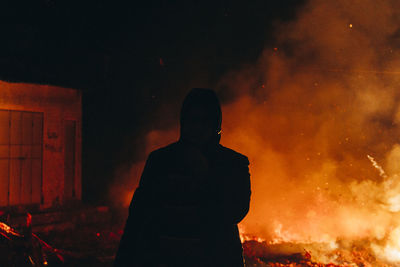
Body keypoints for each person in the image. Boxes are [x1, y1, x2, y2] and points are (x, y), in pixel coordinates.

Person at [114, 88, 251, 267]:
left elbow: (236, 211)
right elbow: (138, 218)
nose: (197, 128)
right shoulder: (161, 161)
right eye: (192, 121)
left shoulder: (233, 164)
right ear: (183, 122)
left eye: (204, 121)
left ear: (215, 125)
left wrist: (206, 176)